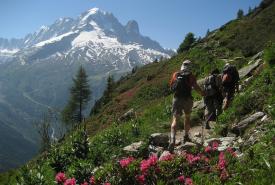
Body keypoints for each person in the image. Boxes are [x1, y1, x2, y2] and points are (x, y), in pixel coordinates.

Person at [168, 60, 205, 152]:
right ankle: (186, 136)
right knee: (187, 118)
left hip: (177, 99)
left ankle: (172, 140)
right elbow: (196, 87)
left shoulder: (176, 74)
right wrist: (202, 93)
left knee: (175, 119)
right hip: (188, 99)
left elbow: (171, 87)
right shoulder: (191, 76)